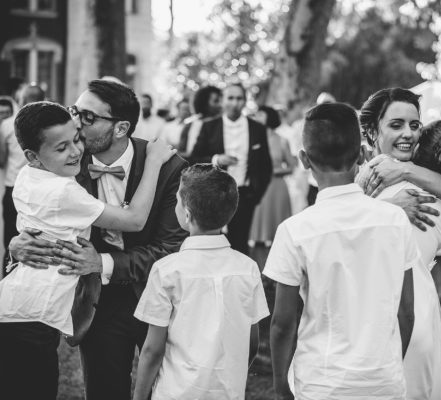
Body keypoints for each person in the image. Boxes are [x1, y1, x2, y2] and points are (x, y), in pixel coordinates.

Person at [8, 79, 188, 400]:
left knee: (164, 389)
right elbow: (40, 213)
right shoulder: (67, 162)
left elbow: (172, 249)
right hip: (97, 299)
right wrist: (16, 245)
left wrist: (102, 261)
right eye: (75, 111)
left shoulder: (168, 167)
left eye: (87, 117)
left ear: (120, 128)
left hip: (156, 294)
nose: (75, 121)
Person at [265, 102, 421, 399]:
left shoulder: (294, 230)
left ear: (303, 160)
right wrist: (388, 366)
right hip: (383, 379)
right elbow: (407, 311)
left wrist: (280, 384)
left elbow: (283, 323)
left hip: (322, 382)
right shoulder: (394, 220)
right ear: (362, 155)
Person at [357, 88, 441, 400]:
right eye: (396, 125)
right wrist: (387, 208)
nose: (408, 134)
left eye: (414, 125)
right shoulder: (369, 175)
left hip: (401, 304)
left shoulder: (430, 179)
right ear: (372, 131)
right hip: (378, 301)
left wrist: (405, 170)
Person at [132, 164, 269, 400]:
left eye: (176, 201)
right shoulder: (248, 269)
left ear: (186, 213)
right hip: (227, 392)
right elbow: (252, 342)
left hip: (175, 393)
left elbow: (152, 350)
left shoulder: (167, 270)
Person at [189, 83, 272, 255]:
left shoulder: (257, 129)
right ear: (222, 101)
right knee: (211, 245)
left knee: (240, 245)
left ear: (245, 101)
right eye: (230, 98)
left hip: (244, 195)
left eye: (239, 98)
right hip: (211, 195)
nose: (235, 103)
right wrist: (216, 159)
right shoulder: (209, 127)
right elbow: (193, 159)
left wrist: (255, 195)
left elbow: (266, 166)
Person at [0, 85, 45, 264]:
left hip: (14, 187)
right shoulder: (53, 122)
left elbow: (2, 159)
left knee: (12, 239)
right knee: (39, 237)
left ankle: (10, 272)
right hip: (43, 188)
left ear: (20, 100)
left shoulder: (7, 124)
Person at [250, 105, 295, 245]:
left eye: (260, 115)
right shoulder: (252, 139)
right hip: (257, 186)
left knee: (277, 236)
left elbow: (292, 167)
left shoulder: (282, 140)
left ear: (269, 117)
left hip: (276, 186)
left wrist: (273, 170)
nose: (256, 117)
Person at [176, 85, 222, 158]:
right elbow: (182, 151)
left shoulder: (222, 123)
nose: (220, 104)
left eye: (221, 100)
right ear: (204, 103)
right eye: (216, 101)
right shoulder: (190, 124)